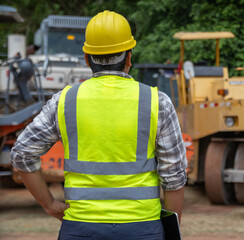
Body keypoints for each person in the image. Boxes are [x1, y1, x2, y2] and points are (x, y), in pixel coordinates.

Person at [10, 10, 187, 240]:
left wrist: (50, 204)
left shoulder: (64, 102)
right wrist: (172, 232)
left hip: (80, 229)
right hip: (142, 229)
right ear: (129, 57)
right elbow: (174, 177)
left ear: (87, 58)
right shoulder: (157, 102)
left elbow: (22, 155)